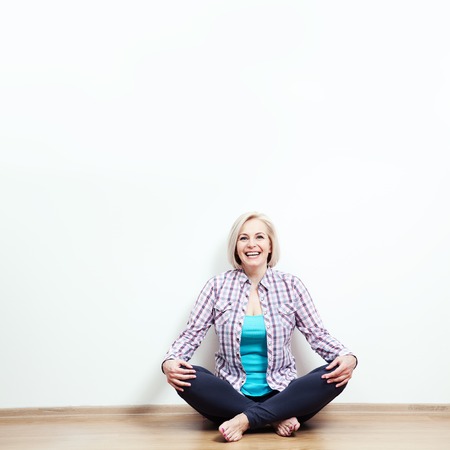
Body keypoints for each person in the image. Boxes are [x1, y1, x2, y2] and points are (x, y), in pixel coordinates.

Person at [162, 212, 357, 442]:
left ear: (270, 245)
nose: (251, 244)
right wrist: (170, 362)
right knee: (187, 377)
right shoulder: (217, 286)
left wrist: (347, 357)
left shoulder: (291, 285)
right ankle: (274, 417)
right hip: (229, 396)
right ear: (236, 247)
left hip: (284, 394)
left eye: (259, 237)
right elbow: (192, 334)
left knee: (335, 375)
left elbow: (317, 335)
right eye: (243, 238)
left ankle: (244, 419)